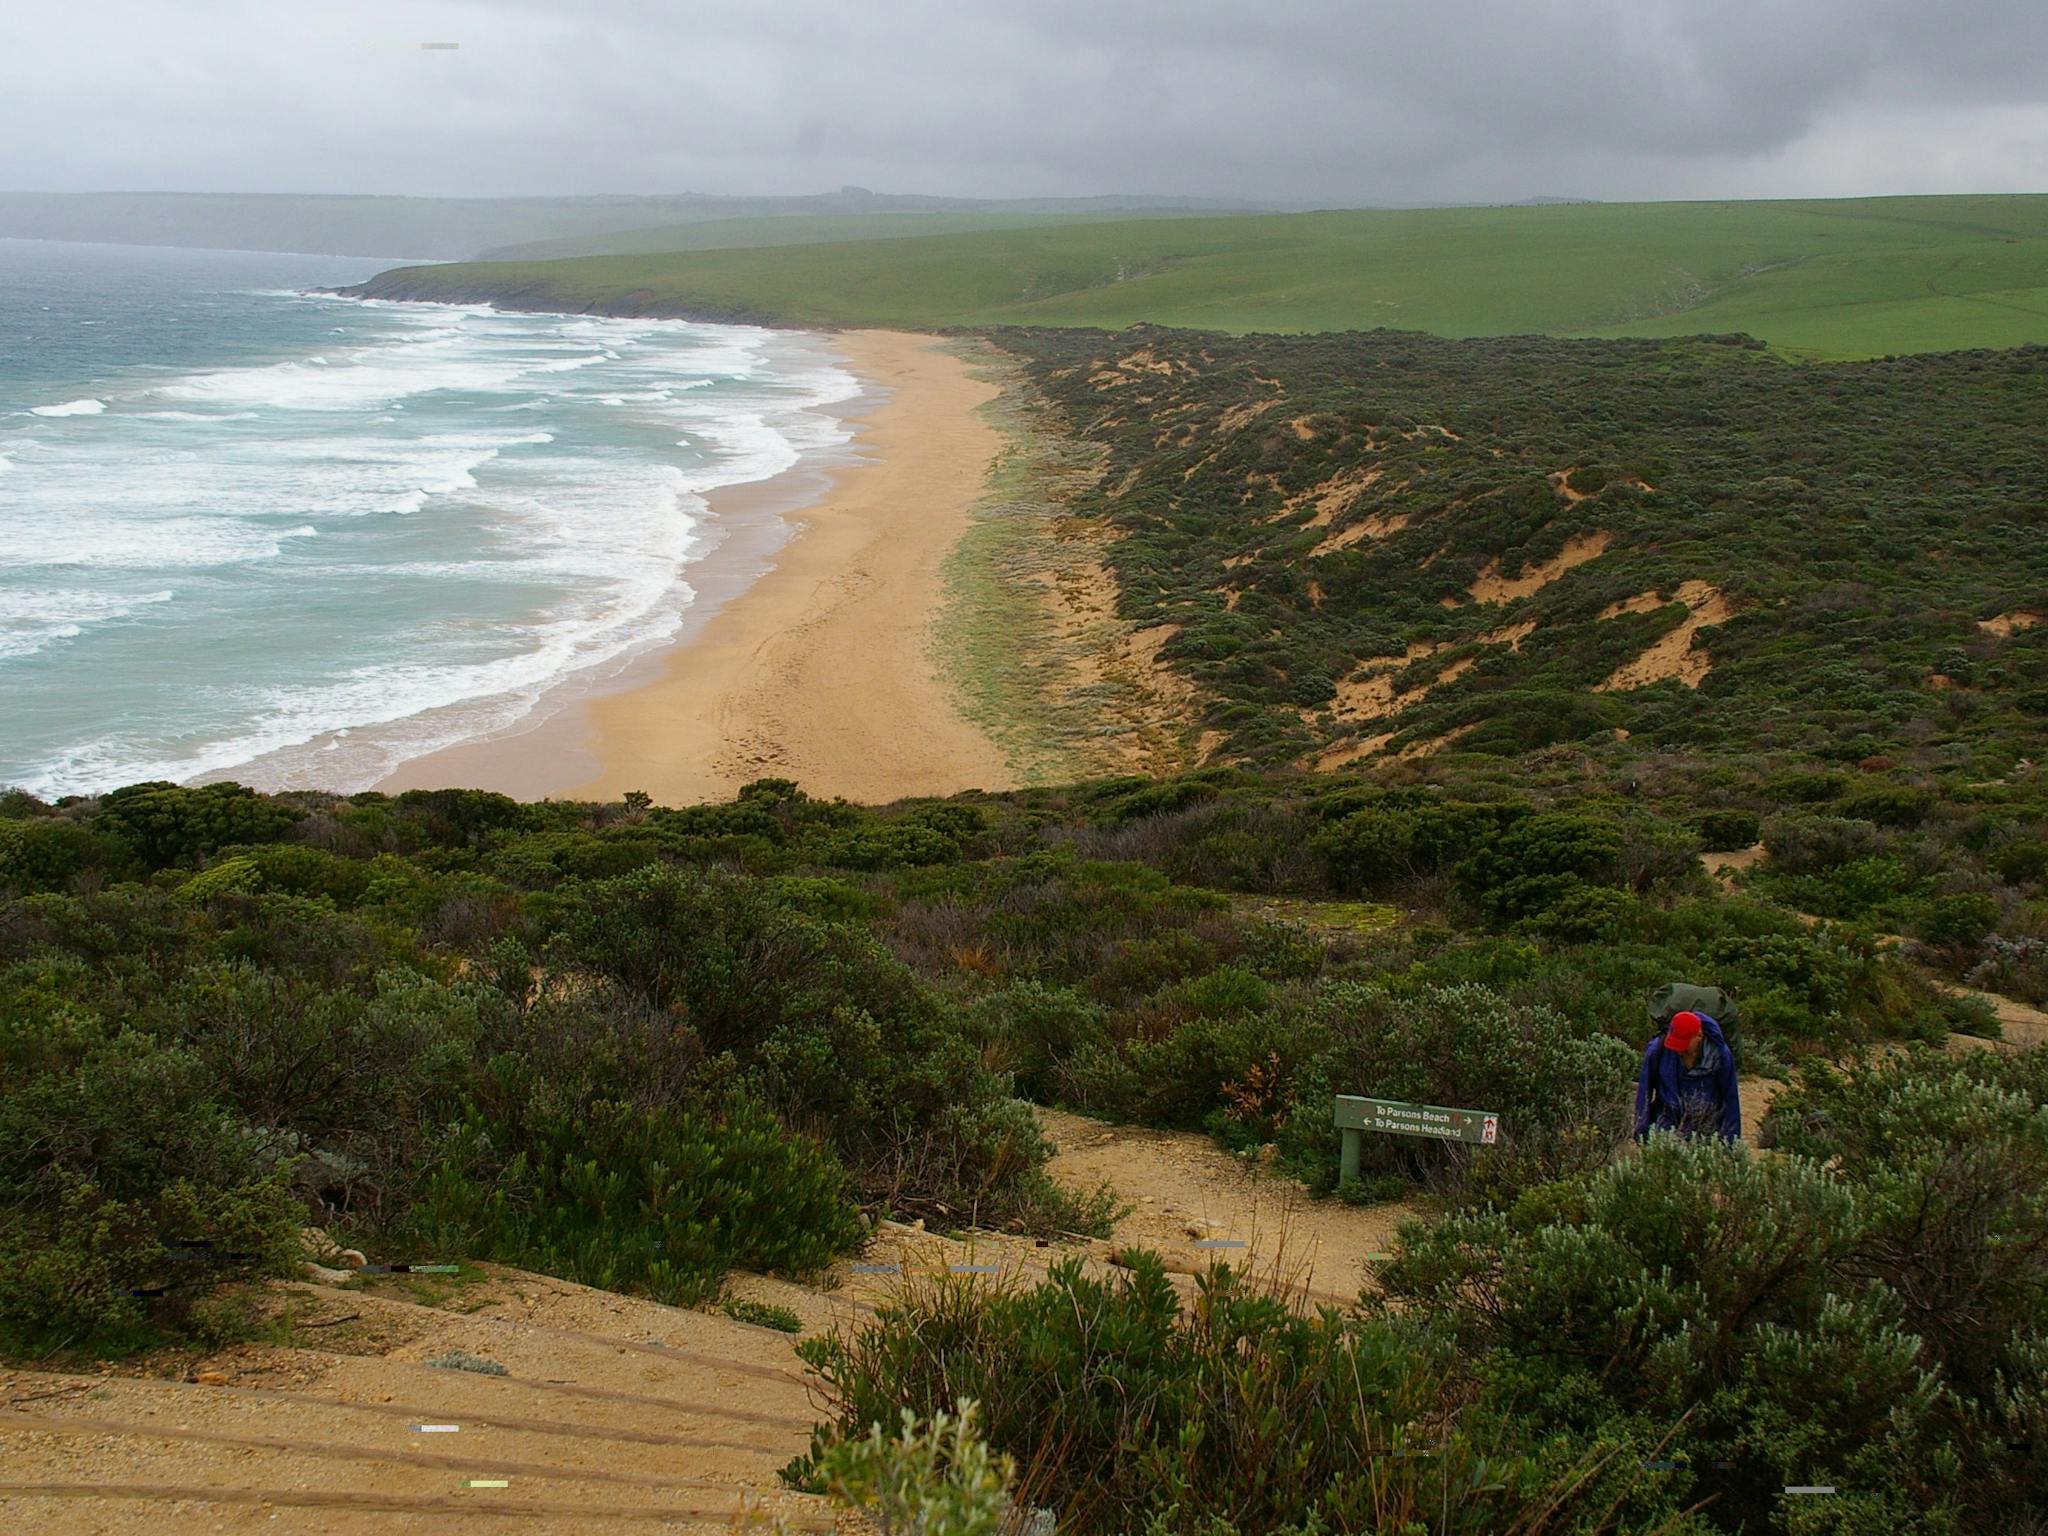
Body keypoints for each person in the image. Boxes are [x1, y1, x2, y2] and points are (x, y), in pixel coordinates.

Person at [1633, 1008, 1741, 1142]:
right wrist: (1641, 1130)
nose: (1678, 1049)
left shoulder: (1719, 1054)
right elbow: (1644, 1090)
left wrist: (1731, 1141)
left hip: (1706, 1128)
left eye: (1684, 1043)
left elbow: (1730, 1097)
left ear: (1699, 1036)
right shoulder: (1657, 1049)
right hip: (1667, 1123)